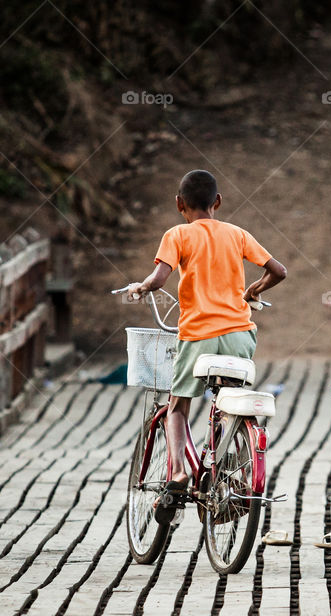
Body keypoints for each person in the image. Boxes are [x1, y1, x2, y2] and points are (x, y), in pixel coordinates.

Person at [129, 169, 287, 509]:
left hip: (198, 335)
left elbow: (158, 279)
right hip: (240, 336)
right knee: (230, 400)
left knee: (177, 407)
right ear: (217, 202)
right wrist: (255, 289)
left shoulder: (178, 235)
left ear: (178, 204)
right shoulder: (237, 234)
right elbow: (279, 270)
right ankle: (238, 460)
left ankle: (179, 474)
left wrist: (141, 287)